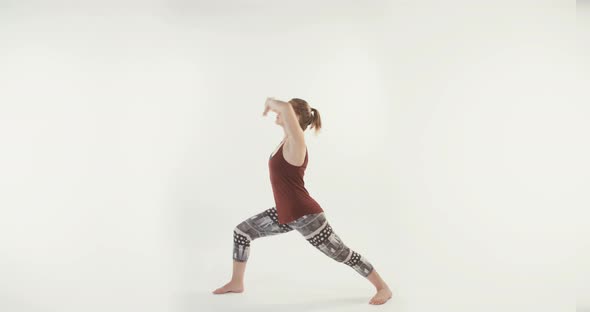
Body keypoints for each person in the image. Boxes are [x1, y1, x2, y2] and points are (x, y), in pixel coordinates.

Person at [212, 97, 393, 305]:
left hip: (306, 216)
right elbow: (287, 112)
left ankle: (383, 287)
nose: (278, 113)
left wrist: (271, 101)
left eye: (285, 111)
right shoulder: (286, 141)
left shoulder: (297, 143)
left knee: (341, 253)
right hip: (285, 214)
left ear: (295, 116)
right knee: (242, 232)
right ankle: (236, 282)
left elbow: (286, 109)